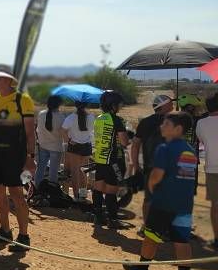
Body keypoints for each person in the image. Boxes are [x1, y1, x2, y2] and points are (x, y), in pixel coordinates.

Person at [123, 111, 198, 270]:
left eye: (166, 124)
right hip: (184, 203)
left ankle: (142, 268)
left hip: (164, 202)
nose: (161, 127)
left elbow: (157, 175)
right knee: (182, 241)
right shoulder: (190, 150)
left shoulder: (165, 148)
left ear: (178, 129)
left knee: (151, 235)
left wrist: (150, 185)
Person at [0, 70, 36, 250]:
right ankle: (5, 231)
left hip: (15, 155)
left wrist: (30, 157)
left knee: (16, 194)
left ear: (8, 80)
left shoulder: (22, 99)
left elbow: (29, 132)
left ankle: (24, 236)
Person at [130, 93, 174, 218]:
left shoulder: (145, 122)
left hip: (150, 166)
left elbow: (135, 145)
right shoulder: (172, 122)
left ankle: (147, 226)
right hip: (168, 166)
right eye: (170, 103)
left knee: (149, 198)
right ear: (163, 105)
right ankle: (165, 227)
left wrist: (135, 165)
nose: (173, 105)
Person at [90, 90, 130, 228]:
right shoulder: (116, 120)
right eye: (119, 104)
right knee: (112, 190)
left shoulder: (99, 118)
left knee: (98, 187)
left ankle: (98, 215)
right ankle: (112, 219)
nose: (120, 107)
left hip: (100, 158)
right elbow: (124, 142)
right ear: (113, 105)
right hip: (114, 159)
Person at [196, 93, 218, 250]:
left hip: (212, 168)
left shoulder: (201, 124)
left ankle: (217, 239)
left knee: (215, 206)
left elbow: (202, 141)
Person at [61, 101, 95, 201]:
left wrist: (69, 141)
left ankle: (76, 196)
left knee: (75, 172)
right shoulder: (91, 117)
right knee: (84, 172)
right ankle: (83, 195)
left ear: (75, 105)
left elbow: (63, 131)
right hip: (87, 146)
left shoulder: (70, 118)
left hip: (74, 146)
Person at [34, 95, 65, 191]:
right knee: (53, 171)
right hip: (56, 147)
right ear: (58, 105)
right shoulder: (61, 117)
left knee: (40, 168)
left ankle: (37, 188)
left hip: (43, 145)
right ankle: (51, 190)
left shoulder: (41, 114)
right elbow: (62, 133)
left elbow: (38, 129)